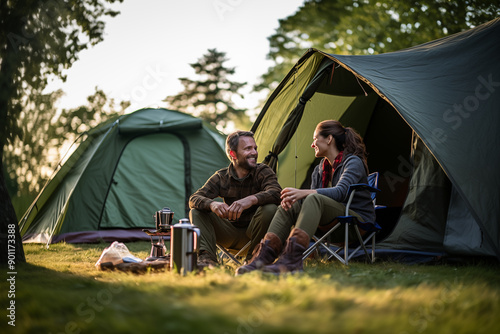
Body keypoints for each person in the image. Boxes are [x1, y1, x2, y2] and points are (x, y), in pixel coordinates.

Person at [235, 120, 375, 275]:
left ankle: (291, 260)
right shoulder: (320, 169)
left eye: (315, 139)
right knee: (289, 205)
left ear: (329, 139)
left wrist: (302, 192)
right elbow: (311, 202)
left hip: (355, 223)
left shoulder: (352, 162)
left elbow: (340, 192)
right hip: (328, 223)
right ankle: (262, 258)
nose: (312, 144)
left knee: (312, 198)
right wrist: (294, 199)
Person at [189, 130, 282, 267]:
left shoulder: (263, 171)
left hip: (256, 234)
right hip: (229, 233)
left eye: (255, 148)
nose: (254, 152)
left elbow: (276, 193)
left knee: (270, 209)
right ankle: (207, 260)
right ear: (233, 154)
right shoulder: (221, 177)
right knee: (196, 211)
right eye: (248, 149)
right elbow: (194, 198)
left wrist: (251, 199)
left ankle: (254, 259)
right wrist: (212, 204)